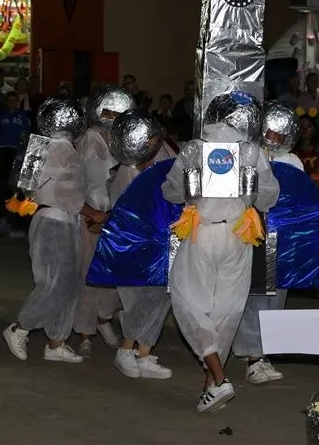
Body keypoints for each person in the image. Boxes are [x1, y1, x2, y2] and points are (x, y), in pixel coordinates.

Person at [163, 92, 279, 412]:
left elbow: (171, 191)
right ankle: (213, 382)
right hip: (238, 237)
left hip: (203, 232)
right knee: (226, 310)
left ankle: (216, 378)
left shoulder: (192, 150)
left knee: (188, 302)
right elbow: (268, 198)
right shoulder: (253, 152)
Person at [3, 96, 101, 363]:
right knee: (59, 285)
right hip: (57, 222)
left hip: (50, 220)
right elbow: (66, 193)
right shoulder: (64, 150)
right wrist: (94, 213)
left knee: (63, 284)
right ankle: (20, 328)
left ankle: (56, 342)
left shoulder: (40, 147)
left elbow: (25, 190)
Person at [231, 102, 301, 383]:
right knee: (256, 295)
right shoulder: (249, 156)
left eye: (279, 135)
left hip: (279, 238)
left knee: (276, 297)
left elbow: (297, 203)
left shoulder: (293, 162)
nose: (273, 140)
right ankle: (253, 358)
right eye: (269, 133)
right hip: (253, 236)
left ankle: (265, 353)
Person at [110, 113, 176, 380]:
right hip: (136, 245)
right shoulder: (128, 171)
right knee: (144, 299)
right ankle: (126, 349)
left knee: (161, 297)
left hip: (160, 241)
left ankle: (144, 353)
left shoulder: (158, 161)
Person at [73, 87, 132, 355]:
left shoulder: (125, 139)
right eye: (108, 111)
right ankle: (85, 331)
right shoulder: (88, 139)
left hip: (118, 214)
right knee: (90, 272)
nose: (113, 117)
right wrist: (91, 214)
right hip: (93, 213)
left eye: (118, 112)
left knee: (118, 273)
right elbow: (86, 179)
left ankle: (104, 318)